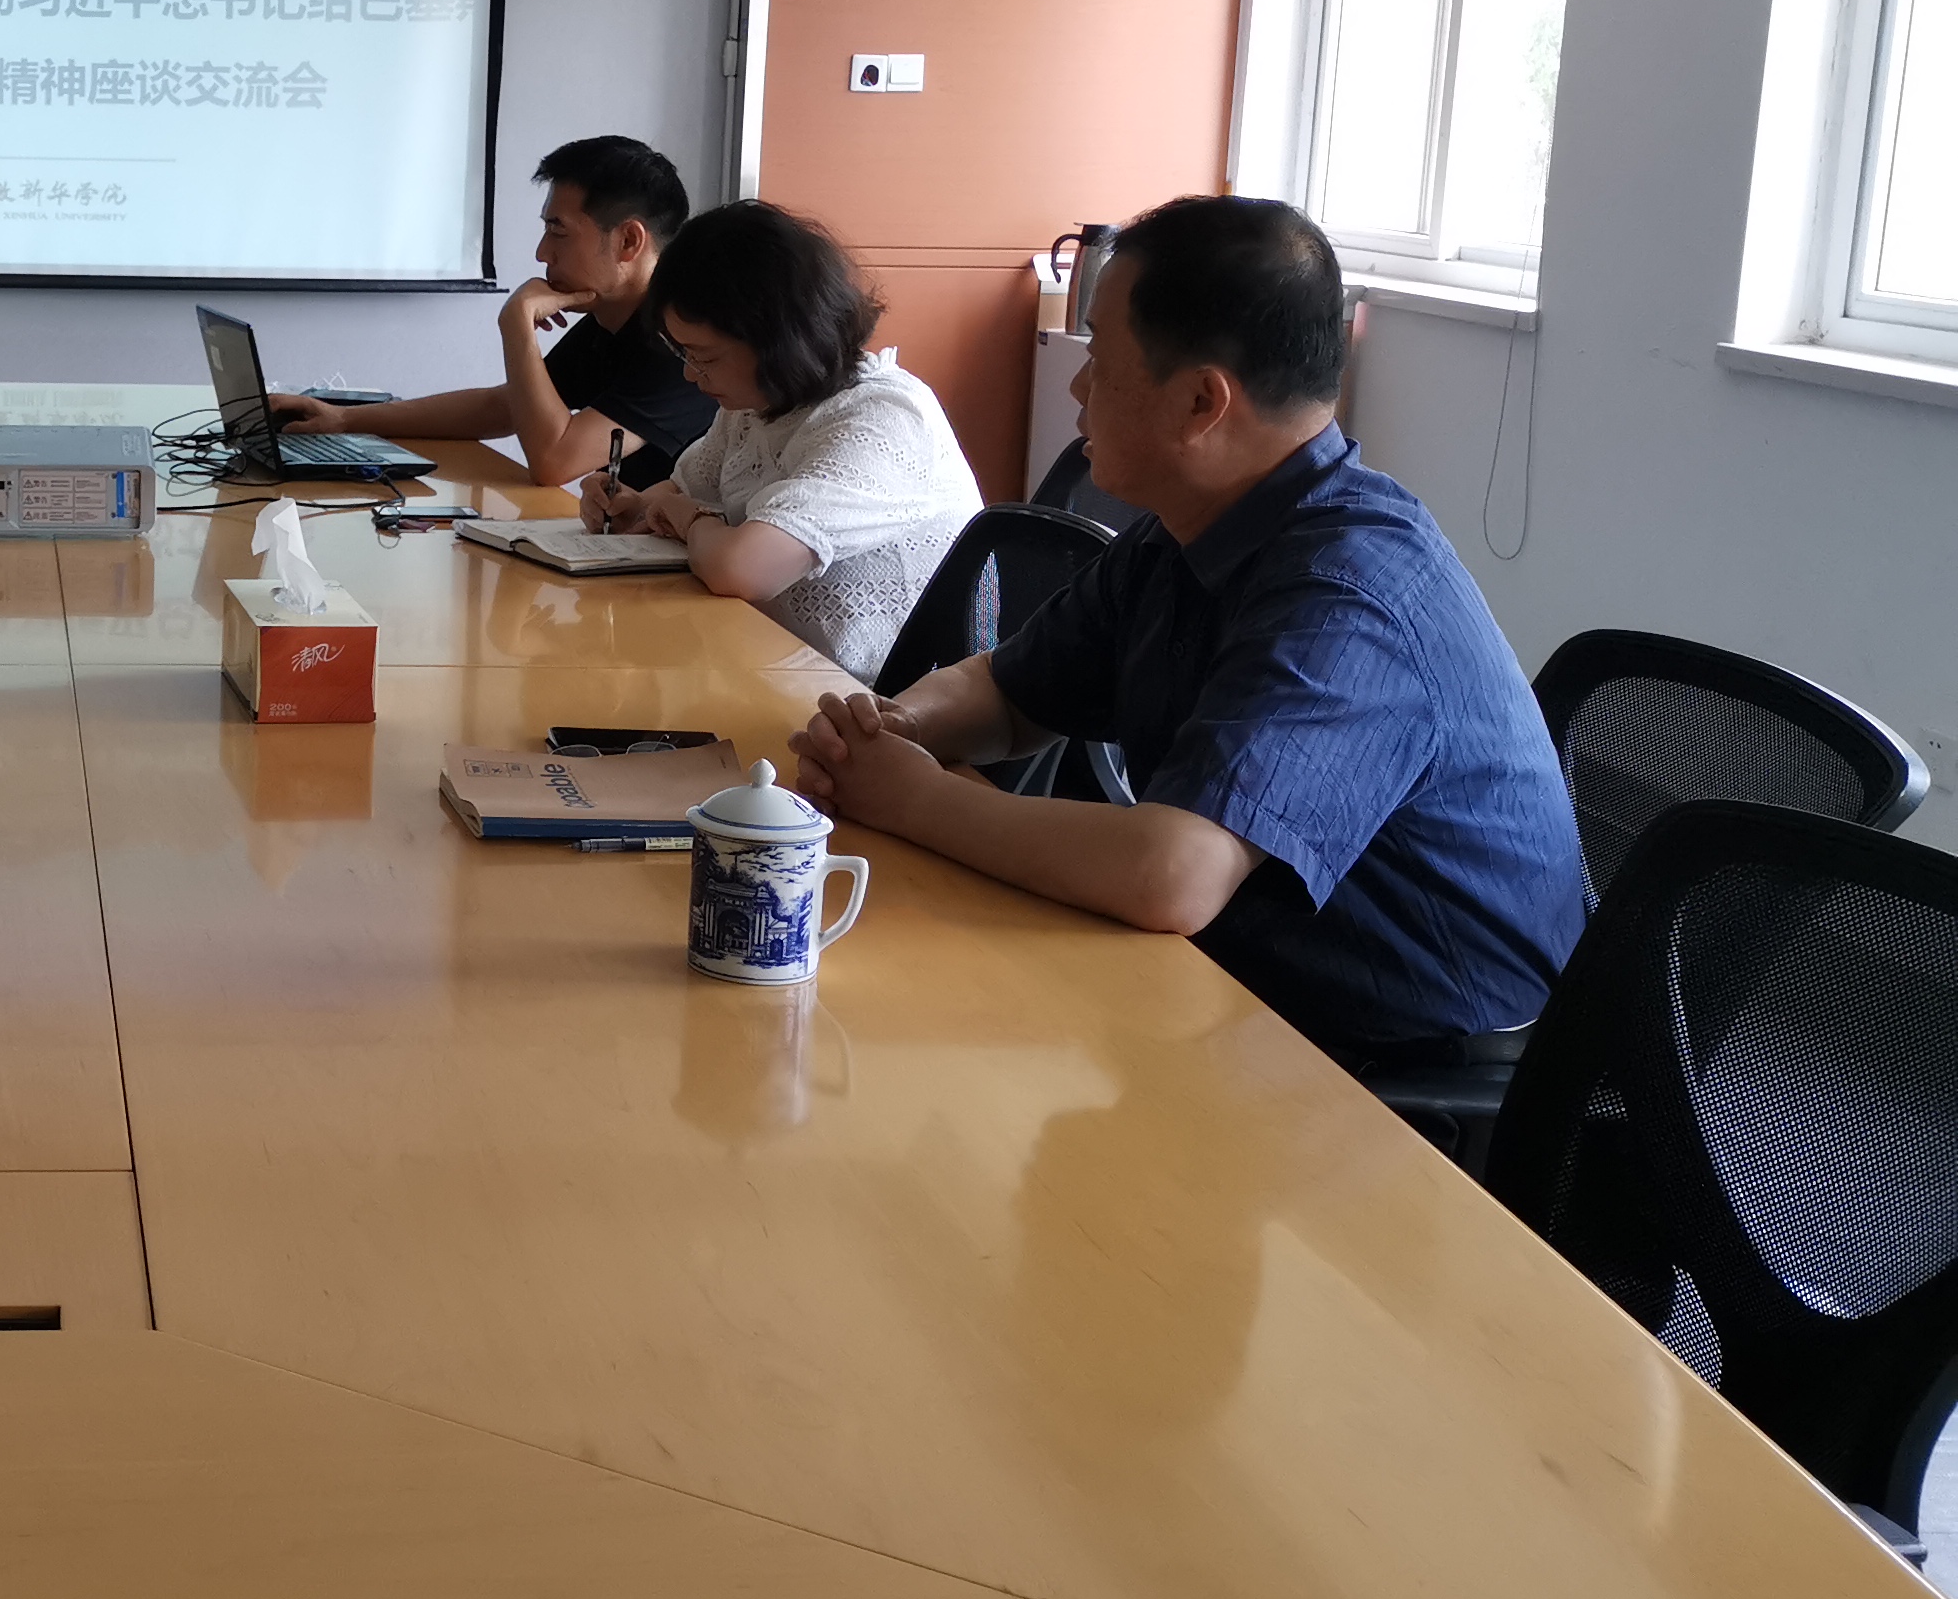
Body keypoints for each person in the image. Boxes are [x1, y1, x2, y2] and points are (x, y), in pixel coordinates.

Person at [792, 195, 1586, 1071]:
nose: (1077, 387)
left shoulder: (1351, 594)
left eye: (1099, 356)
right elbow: (1009, 695)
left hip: (1402, 1063)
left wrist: (914, 798)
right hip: (1236, 982)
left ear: (1203, 401)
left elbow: (1173, 874)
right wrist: (895, 728)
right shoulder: (1185, 530)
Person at [575, 200, 979, 682]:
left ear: (779, 340)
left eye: (705, 357)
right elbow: (682, 492)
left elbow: (741, 568)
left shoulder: (883, 418)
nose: (690, 374)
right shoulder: (756, 405)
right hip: (769, 665)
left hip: (875, 700)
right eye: (683, 353)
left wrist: (686, 517)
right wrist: (635, 508)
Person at [264, 136, 715, 488]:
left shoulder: (683, 341)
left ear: (629, 241)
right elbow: (501, 408)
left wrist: (516, 324)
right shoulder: (612, 321)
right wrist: (343, 419)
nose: (542, 253)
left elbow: (554, 461)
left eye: (558, 232)